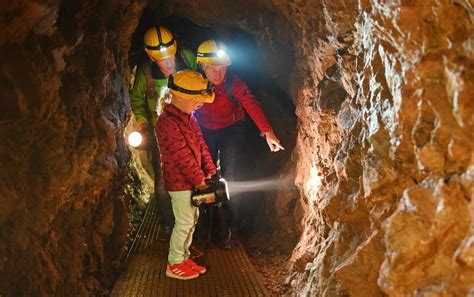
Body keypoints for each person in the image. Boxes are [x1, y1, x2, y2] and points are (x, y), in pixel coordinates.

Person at [194, 40, 284, 249]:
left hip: (230, 128)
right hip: (203, 128)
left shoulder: (233, 83)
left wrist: (267, 132)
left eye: (223, 68)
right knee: (203, 176)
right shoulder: (194, 82)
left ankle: (230, 229)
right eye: (214, 69)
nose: (219, 74)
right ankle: (203, 226)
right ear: (202, 67)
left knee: (231, 177)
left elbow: (250, 103)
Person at [129, 26, 196, 240]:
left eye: (170, 56)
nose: (169, 63)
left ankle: (194, 222)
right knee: (162, 180)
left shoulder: (187, 59)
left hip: (190, 128)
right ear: (150, 56)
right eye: (162, 59)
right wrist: (142, 123)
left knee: (194, 174)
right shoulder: (146, 74)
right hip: (161, 133)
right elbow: (137, 101)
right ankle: (168, 224)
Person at [155, 69, 216, 280]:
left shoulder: (189, 118)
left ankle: (184, 257)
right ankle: (174, 263)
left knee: (192, 219)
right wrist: (199, 180)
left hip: (191, 181)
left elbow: (201, 144)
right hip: (179, 183)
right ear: (179, 97)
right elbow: (182, 158)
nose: (200, 103)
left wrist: (210, 169)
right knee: (184, 222)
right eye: (196, 100)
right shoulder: (166, 123)